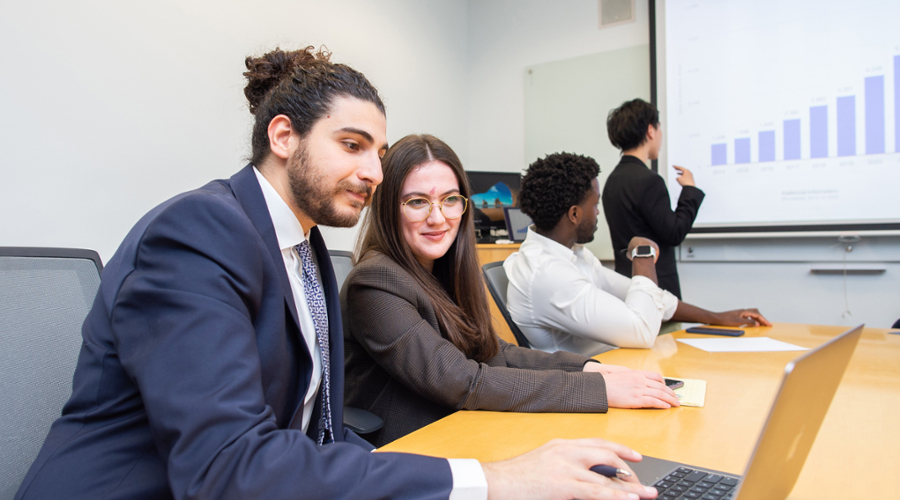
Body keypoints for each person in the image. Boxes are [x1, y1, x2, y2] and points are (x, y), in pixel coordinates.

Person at [14, 47, 659, 500]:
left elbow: (313, 435)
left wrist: (491, 473)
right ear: (284, 136)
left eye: (378, 153)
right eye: (352, 146)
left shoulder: (306, 246)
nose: (375, 173)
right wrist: (495, 481)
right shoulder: (198, 233)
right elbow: (226, 468)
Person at [342, 134, 680, 448]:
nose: (438, 218)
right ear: (388, 208)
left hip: (465, 427)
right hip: (413, 448)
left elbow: (495, 351)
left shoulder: (442, 269)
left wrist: (591, 369)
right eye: (417, 201)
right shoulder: (375, 282)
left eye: (450, 200)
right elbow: (462, 382)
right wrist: (600, 390)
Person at [504, 152, 770, 354]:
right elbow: (641, 331)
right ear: (574, 214)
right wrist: (643, 254)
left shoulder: (572, 254)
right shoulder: (548, 274)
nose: (598, 213)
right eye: (595, 205)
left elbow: (645, 295)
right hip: (580, 395)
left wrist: (716, 317)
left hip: (612, 372)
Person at [602, 98, 701, 299]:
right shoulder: (649, 181)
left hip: (625, 288)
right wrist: (689, 190)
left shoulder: (611, 181)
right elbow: (674, 233)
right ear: (650, 131)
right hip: (655, 290)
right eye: (659, 128)